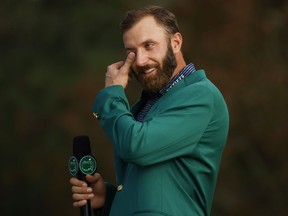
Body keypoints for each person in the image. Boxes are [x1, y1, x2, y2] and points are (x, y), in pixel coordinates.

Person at [70, 5, 229, 216]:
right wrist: (108, 198)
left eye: (149, 45)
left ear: (176, 42)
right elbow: (158, 187)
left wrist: (112, 95)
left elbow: (137, 146)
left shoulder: (200, 95)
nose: (140, 61)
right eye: (131, 52)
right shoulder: (150, 103)